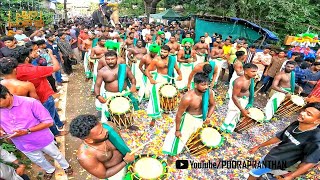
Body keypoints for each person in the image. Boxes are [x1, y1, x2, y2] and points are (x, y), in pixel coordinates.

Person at [0, 85, 73, 180]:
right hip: (22, 144)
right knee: (38, 159)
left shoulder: (30, 103)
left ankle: (65, 166)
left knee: (55, 154)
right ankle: (49, 169)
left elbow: (48, 122)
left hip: (41, 138)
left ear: (6, 95)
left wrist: (27, 131)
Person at [248, 103, 320, 180]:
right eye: (305, 111)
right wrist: (259, 146)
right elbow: (279, 137)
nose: (302, 113)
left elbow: (310, 162)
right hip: (274, 155)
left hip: (281, 163)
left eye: (308, 114)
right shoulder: (296, 124)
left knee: (253, 173)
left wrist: (291, 176)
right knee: (260, 172)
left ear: (317, 121)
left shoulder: (315, 139)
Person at [12, 47, 67, 137]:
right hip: (43, 96)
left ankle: (59, 123)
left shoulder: (14, 71)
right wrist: (51, 55)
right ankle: (56, 133)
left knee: (52, 111)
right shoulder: (33, 70)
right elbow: (57, 67)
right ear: (26, 58)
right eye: (30, 54)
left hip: (32, 99)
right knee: (49, 117)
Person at [162, 72, 215, 163]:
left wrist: (209, 117)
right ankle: (171, 155)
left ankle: (184, 148)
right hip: (188, 119)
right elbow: (179, 114)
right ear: (196, 84)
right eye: (203, 85)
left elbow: (213, 105)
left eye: (207, 84)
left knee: (193, 136)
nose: (206, 87)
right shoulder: (188, 98)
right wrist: (178, 130)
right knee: (177, 138)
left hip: (201, 118)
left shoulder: (208, 92)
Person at [69, 114, 135, 179]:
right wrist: (125, 162)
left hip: (129, 158)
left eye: (102, 127)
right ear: (89, 140)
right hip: (116, 173)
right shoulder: (86, 156)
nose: (106, 130)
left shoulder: (108, 127)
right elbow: (104, 174)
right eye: (101, 132)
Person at [95, 50, 139, 124]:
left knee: (127, 111)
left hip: (124, 93)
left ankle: (128, 124)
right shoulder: (102, 71)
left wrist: (134, 85)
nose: (110, 61)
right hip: (110, 95)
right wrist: (98, 96)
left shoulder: (124, 68)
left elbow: (132, 78)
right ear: (105, 60)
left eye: (112, 59)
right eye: (108, 59)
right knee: (109, 113)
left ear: (117, 59)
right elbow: (97, 85)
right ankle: (112, 126)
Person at [145, 45, 182, 126]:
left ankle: (166, 109)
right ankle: (154, 117)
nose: (162, 53)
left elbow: (177, 69)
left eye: (165, 52)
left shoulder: (172, 59)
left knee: (168, 95)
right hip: (159, 79)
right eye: (161, 51)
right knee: (156, 97)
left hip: (169, 79)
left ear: (168, 53)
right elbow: (147, 70)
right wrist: (151, 79)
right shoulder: (156, 60)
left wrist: (180, 75)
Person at [220, 63, 258, 133]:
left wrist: (250, 102)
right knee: (232, 114)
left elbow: (251, 91)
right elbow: (234, 96)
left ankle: (229, 130)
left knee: (236, 116)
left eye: (256, 71)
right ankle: (222, 129)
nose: (255, 73)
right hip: (236, 101)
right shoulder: (239, 82)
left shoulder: (251, 79)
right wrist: (242, 109)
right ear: (246, 71)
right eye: (253, 71)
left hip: (244, 100)